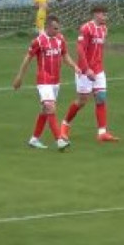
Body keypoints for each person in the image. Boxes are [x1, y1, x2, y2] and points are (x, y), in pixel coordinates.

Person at [12, 15, 81, 151]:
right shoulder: (38, 41)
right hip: (44, 81)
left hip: (56, 81)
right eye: (55, 28)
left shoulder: (60, 39)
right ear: (48, 27)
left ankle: (34, 139)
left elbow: (65, 55)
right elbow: (27, 59)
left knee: (45, 111)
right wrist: (19, 76)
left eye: (58, 28)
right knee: (50, 108)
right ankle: (59, 140)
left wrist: (74, 66)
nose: (57, 31)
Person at [61, 6, 119, 143]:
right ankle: (65, 125)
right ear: (96, 14)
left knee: (101, 98)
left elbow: (99, 48)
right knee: (82, 101)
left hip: (98, 70)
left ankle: (102, 133)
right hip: (84, 71)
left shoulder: (104, 29)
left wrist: (97, 66)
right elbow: (80, 49)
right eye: (103, 15)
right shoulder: (86, 28)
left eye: (106, 15)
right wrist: (86, 69)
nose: (105, 17)